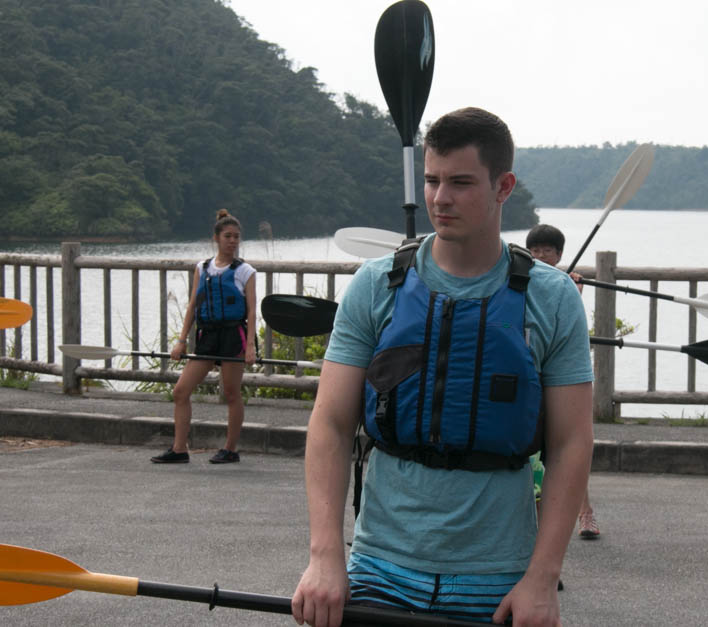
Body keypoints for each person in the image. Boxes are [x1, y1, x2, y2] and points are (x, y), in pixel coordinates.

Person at [291, 107, 594, 626]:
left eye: (460, 182)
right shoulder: (374, 285)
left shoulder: (553, 298)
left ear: (504, 187)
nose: (439, 198)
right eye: (431, 180)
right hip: (381, 565)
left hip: (499, 576)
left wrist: (542, 578)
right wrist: (325, 556)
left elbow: (570, 443)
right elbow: (331, 423)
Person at [150, 209, 257, 464]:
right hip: (207, 335)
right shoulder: (203, 268)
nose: (232, 241)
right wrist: (181, 339)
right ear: (216, 238)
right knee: (180, 391)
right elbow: (192, 306)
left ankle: (230, 449)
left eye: (236, 237)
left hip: (233, 335)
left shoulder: (246, 271)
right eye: (228, 236)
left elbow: (252, 310)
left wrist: (250, 345)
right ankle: (179, 449)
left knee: (231, 393)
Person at [525, 224, 600, 540]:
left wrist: (574, 294)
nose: (541, 255)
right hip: (529, 381)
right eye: (536, 250)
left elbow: (568, 333)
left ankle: (585, 513)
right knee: (534, 460)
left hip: (561, 382)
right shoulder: (522, 281)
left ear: (559, 255)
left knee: (569, 448)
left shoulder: (564, 288)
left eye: (548, 251)